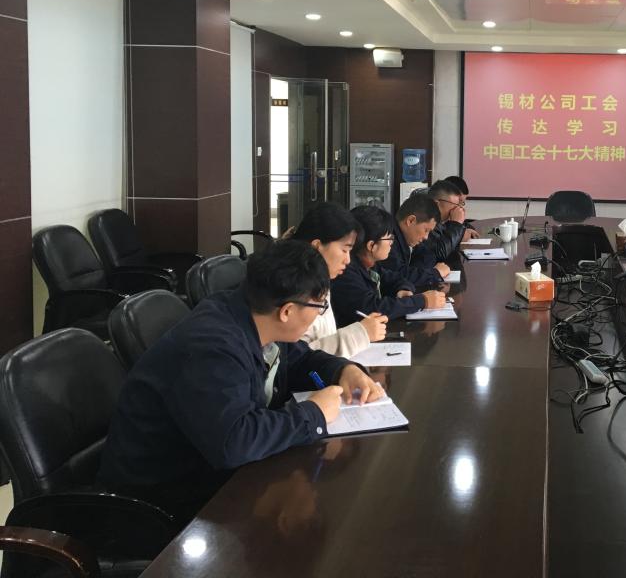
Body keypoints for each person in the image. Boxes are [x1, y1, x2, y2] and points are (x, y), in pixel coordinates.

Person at [98, 239, 383, 519]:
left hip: (211, 470)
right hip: (160, 501)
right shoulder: (212, 347)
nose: (319, 314)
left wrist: (342, 370)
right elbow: (234, 441)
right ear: (287, 311)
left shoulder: (257, 314)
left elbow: (301, 362)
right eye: (318, 306)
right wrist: (313, 414)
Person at [289, 202, 388, 356]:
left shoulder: (319, 280)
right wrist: (360, 334)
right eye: (344, 250)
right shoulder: (291, 288)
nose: (348, 260)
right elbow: (295, 359)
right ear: (317, 246)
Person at [332, 205, 446, 319]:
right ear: (371, 245)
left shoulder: (370, 265)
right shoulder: (345, 272)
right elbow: (372, 309)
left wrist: (403, 289)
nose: (392, 243)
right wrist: (422, 301)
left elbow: (396, 279)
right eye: (389, 238)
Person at [379, 193, 450, 286]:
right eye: (426, 230)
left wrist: (417, 273)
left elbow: (428, 255)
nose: (426, 237)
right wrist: (434, 273)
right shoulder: (387, 240)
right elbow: (397, 276)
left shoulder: (406, 237)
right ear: (410, 220)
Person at [415, 179, 470, 264]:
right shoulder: (423, 221)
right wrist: (456, 224)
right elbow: (439, 253)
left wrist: (460, 231)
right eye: (455, 205)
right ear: (436, 204)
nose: (456, 209)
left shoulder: (439, 222)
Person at [443, 175, 481, 240]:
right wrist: (459, 236)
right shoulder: (431, 219)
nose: (460, 207)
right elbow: (442, 243)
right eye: (458, 202)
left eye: (462, 203)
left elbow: (466, 226)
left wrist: (463, 231)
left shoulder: (449, 216)